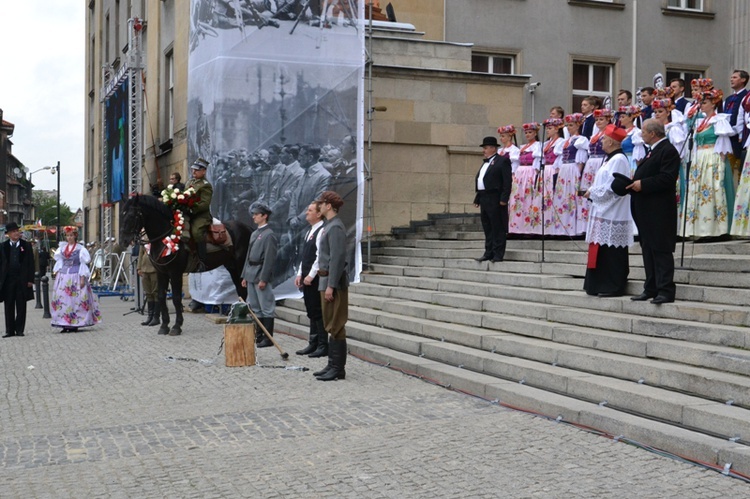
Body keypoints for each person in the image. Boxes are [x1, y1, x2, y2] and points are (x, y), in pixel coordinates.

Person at [627, 119, 680, 304]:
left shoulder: (668, 150)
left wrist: (643, 184)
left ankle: (665, 290)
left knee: (661, 250)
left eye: (643, 131)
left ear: (653, 133)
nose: (641, 134)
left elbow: (667, 178)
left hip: (660, 211)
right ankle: (650, 288)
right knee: (648, 250)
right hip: (647, 211)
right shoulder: (652, 151)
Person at [582, 124, 633, 297]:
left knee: (612, 252)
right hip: (603, 210)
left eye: (604, 138)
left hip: (612, 211)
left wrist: (592, 193)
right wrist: (593, 191)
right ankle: (597, 284)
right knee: (602, 249)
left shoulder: (619, 160)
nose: (601, 141)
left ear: (611, 141)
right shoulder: (610, 159)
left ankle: (612, 285)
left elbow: (614, 187)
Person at [679, 89, 734, 238]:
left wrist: (721, 166)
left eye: (704, 102)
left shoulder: (719, 120)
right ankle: (698, 229)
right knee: (698, 192)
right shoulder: (701, 121)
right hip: (700, 158)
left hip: (712, 157)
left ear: (713, 103)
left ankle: (714, 229)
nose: (701, 105)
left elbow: (723, 145)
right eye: (700, 102)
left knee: (711, 191)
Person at [313, 191, 349, 381]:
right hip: (324, 279)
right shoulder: (329, 226)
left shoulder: (335, 227)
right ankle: (332, 364)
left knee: (336, 323)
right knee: (330, 323)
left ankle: (337, 368)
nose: (319, 206)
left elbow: (337, 258)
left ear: (328, 206)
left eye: (321, 203)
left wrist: (331, 286)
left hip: (332, 281)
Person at [51, 226, 102, 332]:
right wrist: (57, 275)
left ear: (75, 236)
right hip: (64, 276)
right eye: (67, 236)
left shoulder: (80, 249)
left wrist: (82, 278)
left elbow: (83, 264)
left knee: (76, 300)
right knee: (63, 299)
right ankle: (64, 323)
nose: (69, 238)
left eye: (71, 236)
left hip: (76, 276)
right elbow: (59, 263)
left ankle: (75, 323)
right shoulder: (62, 248)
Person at [241, 203, 278, 348]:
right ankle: (259, 335)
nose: (254, 216)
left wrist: (264, 278)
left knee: (266, 307)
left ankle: (268, 338)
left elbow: (269, 259)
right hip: (251, 272)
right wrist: (244, 276)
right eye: (254, 214)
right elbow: (248, 256)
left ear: (264, 216)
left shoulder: (269, 235)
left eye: (257, 214)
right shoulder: (255, 233)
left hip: (260, 273)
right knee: (255, 307)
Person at [294, 202, 327, 357]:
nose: (306, 213)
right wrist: (300, 273)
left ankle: (322, 344)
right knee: (310, 310)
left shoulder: (322, 230)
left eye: (310, 210)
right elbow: (305, 256)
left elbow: (320, 256)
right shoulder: (309, 231)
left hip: (315, 278)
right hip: (306, 276)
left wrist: (311, 275)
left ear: (319, 214)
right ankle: (312, 342)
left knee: (317, 311)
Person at [473, 136, 512, 262]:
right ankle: (488, 251)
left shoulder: (502, 161)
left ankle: (498, 253)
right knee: (487, 226)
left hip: (495, 197)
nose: (483, 150)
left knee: (497, 226)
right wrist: (478, 197)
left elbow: (507, 182)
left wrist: (504, 199)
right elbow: (482, 181)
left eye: (485, 148)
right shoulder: (485, 163)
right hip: (485, 197)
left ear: (493, 148)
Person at [0, 223, 35, 338]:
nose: (16, 233)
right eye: (13, 231)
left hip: (22, 279)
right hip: (8, 279)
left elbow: (31, 263)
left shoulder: (26, 245)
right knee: (8, 304)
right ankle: (9, 330)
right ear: (9, 234)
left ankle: (19, 329)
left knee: (21, 305)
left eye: (17, 231)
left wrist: (30, 279)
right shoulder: (3, 246)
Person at [557, 113, 589, 235]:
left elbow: (580, 159)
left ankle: (575, 228)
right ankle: (564, 227)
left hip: (573, 169)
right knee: (564, 196)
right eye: (568, 125)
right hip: (565, 169)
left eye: (571, 125)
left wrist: (578, 174)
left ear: (577, 126)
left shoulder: (580, 140)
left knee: (573, 196)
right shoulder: (567, 141)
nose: (569, 127)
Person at [509, 123, 543, 235]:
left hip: (530, 172)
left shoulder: (538, 145)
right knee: (518, 199)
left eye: (530, 132)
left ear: (535, 133)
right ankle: (517, 226)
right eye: (526, 133)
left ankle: (529, 227)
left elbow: (537, 162)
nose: (528, 134)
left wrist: (536, 175)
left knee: (528, 198)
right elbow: (517, 162)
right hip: (521, 173)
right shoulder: (523, 147)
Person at [185, 157, 214, 271]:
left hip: (200, 215)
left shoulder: (206, 185)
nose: (194, 172)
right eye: (193, 169)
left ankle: (202, 260)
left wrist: (191, 209)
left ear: (204, 171)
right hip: (187, 212)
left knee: (196, 232)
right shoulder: (189, 182)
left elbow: (204, 204)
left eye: (197, 170)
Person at [724, 70, 749, 181]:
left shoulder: (746, 96)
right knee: (727, 169)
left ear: (743, 80)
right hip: (728, 138)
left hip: (740, 139)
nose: (731, 79)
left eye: (735, 77)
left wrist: (740, 134)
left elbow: (741, 117)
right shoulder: (729, 98)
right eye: (731, 77)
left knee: (740, 168)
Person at [137, 237, 159, 327]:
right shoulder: (144, 238)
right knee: (148, 293)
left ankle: (156, 316)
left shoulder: (155, 236)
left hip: (154, 269)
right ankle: (150, 316)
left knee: (155, 292)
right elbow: (141, 253)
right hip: (144, 268)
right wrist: (139, 267)